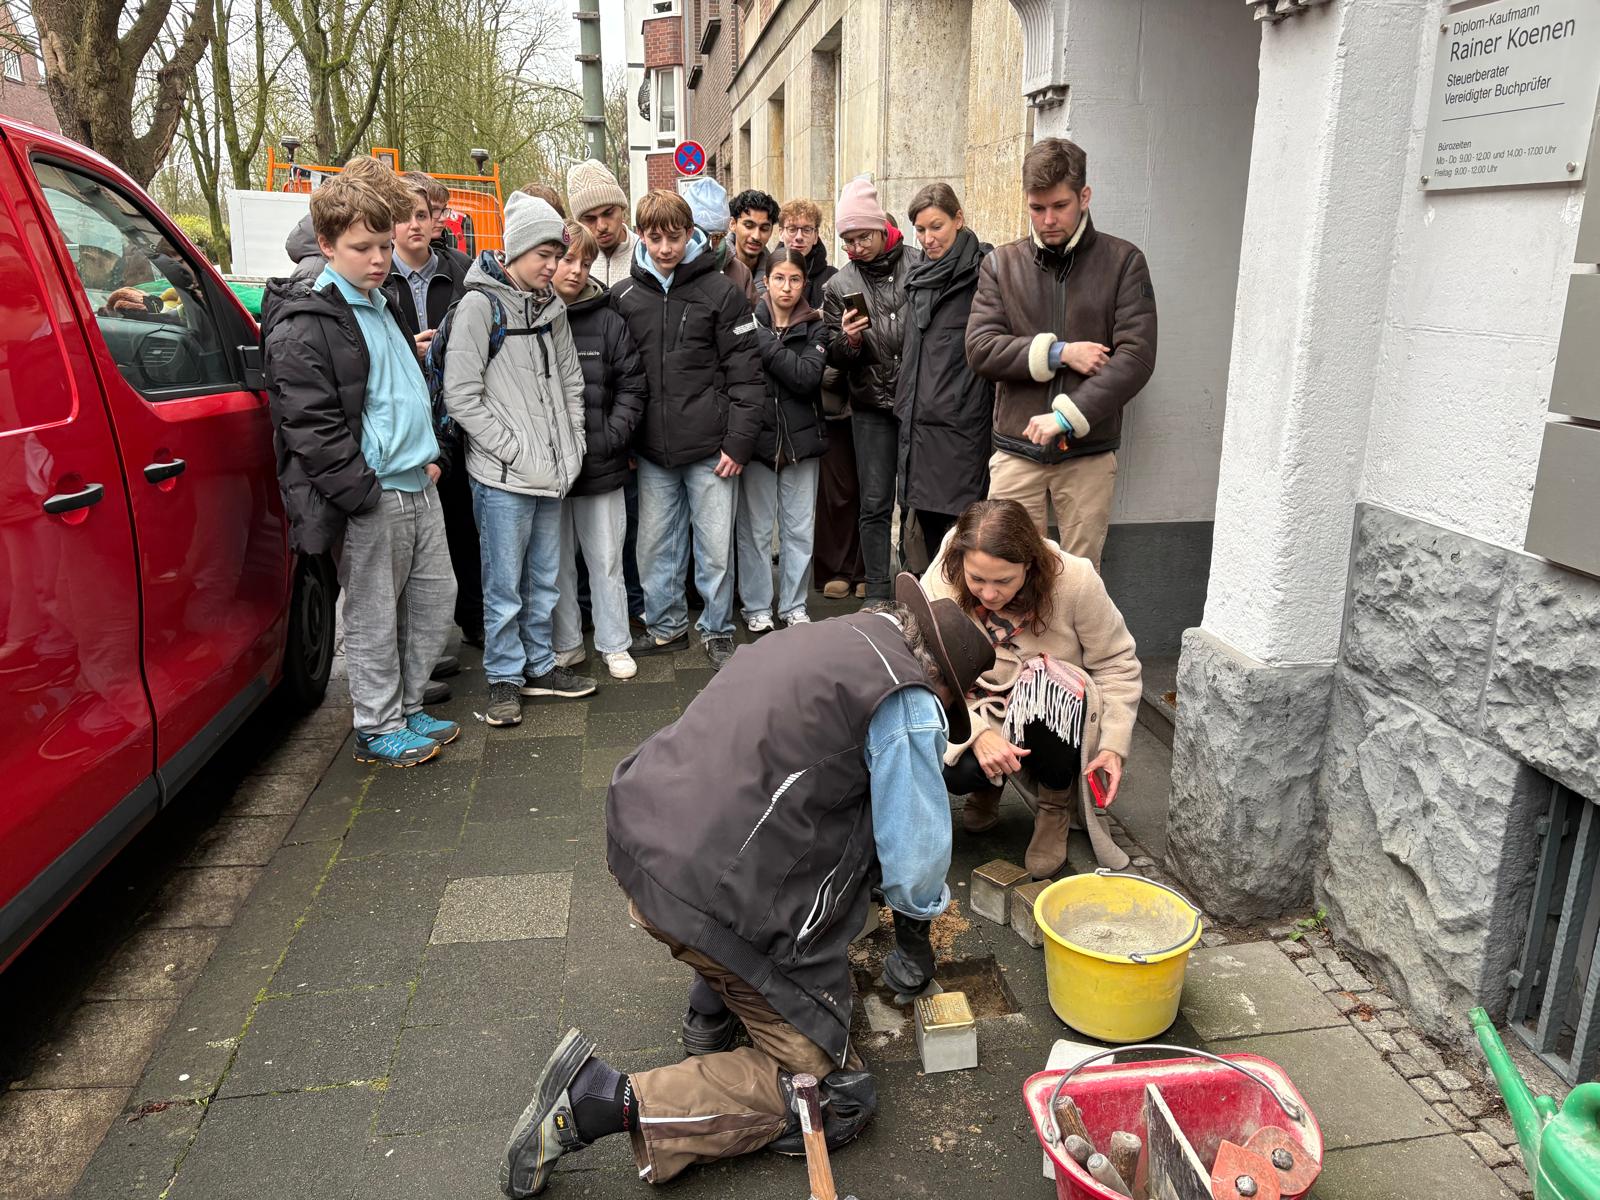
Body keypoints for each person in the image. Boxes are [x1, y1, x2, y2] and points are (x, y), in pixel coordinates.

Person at [499, 575, 996, 1196]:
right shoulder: (909, 701)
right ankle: (603, 1101)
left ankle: (715, 1004)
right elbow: (915, 856)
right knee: (833, 1092)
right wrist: (916, 936)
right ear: (941, 682)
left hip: (644, 832)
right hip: (703, 892)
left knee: (819, 868)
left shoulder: (830, 633)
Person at [262, 174, 460, 766]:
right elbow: (309, 424)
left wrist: (432, 457)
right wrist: (363, 492)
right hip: (375, 494)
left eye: (383, 244)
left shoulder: (383, 301)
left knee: (432, 599)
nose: (379, 259)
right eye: (362, 248)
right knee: (373, 615)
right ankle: (377, 723)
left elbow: (402, 387)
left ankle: (405, 702)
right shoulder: (305, 321)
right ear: (325, 244)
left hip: (416, 483)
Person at [920, 498, 1141, 878]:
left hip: (1048, 710)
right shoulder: (947, 567)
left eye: (1003, 581)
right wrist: (975, 734)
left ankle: (1054, 806)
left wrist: (1113, 745)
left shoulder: (1075, 580)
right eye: (977, 580)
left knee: (1048, 682)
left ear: (1030, 564)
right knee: (956, 769)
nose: (988, 594)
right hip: (975, 702)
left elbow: (1116, 663)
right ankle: (988, 782)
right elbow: (921, 662)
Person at [965, 137, 1157, 569]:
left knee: (1080, 579)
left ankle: (1070, 643)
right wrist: (1059, 353)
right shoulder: (1000, 264)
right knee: (1008, 571)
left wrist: (1067, 416)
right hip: (1016, 450)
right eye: (1037, 208)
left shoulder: (1124, 261)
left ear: (1084, 197)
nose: (1048, 219)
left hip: (1087, 452)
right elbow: (980, 349)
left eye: (1059, 206)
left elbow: (1137, 358)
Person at [441, 194, 593, 728]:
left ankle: (539, 667)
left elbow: (572, 381)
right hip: (504, 478)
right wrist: (513, 449)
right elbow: (462, 396)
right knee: (504, 585)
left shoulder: (550, 307)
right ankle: (504, 679)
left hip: (552, 472)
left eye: (557, 254)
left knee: (546, 580)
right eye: (544, 254)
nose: (553, 265)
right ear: (517, 250)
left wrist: (570, 445)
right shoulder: (481, 307)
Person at [609, 190, 763, 671]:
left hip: (713, 448)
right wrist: (629, 442)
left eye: (674, 237)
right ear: (640, 235)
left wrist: (738, 441)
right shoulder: (624, 297)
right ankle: (666, 626)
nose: (665, 248)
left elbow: (746, 372)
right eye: (654, 238)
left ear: (690, 233)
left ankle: (717, 629)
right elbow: (620, 378)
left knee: (715, 548)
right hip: (652, 450)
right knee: (655, 545)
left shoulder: (721, 292)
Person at [548, 221, 648, 681]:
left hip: (600, 463)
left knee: (606, 559)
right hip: (547, 468)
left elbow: (632, 385)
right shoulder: (530, 316)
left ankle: (613, 643)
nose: (575, 270)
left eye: (584, 262)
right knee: (557, 564)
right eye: (567, 259)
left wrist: (608, 439)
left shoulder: (608, 320)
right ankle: (566, 645)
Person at [823, 176, 917, 604]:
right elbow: (835, 356)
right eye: (847, 240)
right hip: (870, 407)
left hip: (918, 404)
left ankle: (917, 588)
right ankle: (878, 593)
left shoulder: (919, 267)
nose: (855, 247)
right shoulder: (839, 285)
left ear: (882, 228)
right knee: (875, 502)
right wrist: (851, 339)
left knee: (916, 502)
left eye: (862, 236)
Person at [895, 184, 994, 565]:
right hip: (917, 430)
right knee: (926, 543)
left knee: (963, 543)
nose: (927, 238)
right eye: (919, 230)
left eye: (936, 227)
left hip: (960, 430)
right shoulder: (918, 275)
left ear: (959, 219)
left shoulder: (985, 272)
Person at [734, 249, 828, 632]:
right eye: (779, 279)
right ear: (765, 282)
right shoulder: (745, 325)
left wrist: (765, 343)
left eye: (794, 279)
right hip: (758, 442)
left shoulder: (816, 327)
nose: (786, 287)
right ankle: (755, 605)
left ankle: (794, 605)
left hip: (802, 445)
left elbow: (806, 377)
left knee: (799, 529)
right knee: (755, 530)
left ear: (804, 283)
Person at [781, 199, 862, 601]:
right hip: (794, 399)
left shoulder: (834, 278)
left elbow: (840, 340)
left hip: (836, 395)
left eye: (807, 229)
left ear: (817, 234)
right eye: (792, 228)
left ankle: (859, 568)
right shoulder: (775, 275)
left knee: (856, 485)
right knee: (827, 492)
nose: (799, 235)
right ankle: (830, 567)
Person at [678, 175, 756, 304]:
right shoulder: (672, 269)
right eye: (700, 235)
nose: (709, 243)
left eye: (717, 236)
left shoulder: (740, 273)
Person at [566, 159, 637, 287]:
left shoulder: (646, 253)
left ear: (622, 210)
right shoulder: (570, 264)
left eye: (608, 213)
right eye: (590, 218)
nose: (602, 226)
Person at [408, 172, 471, 275]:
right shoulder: (382, 266)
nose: (442, 219)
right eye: (433, 210)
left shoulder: (462, 264)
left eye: (443, 210)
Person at [728, 188, 779, 290]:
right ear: (733, 224)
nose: (756, 236)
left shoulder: (777, 274)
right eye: (749, 226)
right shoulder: (714, 266)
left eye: (764, 228)